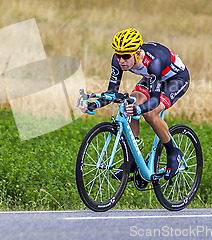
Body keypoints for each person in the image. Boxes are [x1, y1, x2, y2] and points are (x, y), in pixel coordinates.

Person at [80, 28, 190, 180]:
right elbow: (111, 93)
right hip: (152, 77)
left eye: (125, 56)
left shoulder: (153, 62)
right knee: (130, 102)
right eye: (118, 55)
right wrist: (93, 105)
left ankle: (173, 153)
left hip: (176, 79)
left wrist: (140, 109)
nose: (121, 60)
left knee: (150, 113)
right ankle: (132, 156)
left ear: (138, 54)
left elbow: (155, 100)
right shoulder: (119, 60)